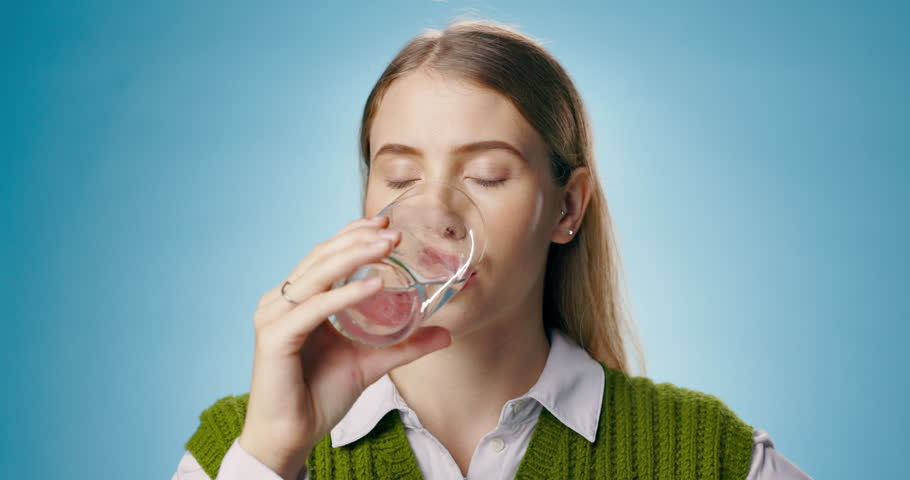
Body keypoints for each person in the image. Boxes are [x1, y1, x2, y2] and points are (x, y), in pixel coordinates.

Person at [171, 19, 812, 480]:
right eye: (400, 178)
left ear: (567, 208)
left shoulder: (706, 459)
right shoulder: (239, 451)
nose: (439, 214)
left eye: (487, 176)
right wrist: (272, 458)